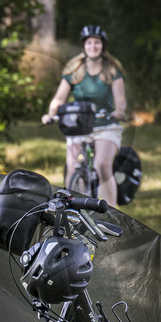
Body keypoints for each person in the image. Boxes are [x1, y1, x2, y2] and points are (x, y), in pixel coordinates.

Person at [40, 25, 128, 203]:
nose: (93, 46)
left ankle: (112, 213)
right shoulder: (74, 70)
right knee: (72, 168)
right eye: (89, 43)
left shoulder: (112, 70)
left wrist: (119, 111)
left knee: (102, 165)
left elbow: (120, 98)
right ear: (84, 46)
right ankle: (74, 211)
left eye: (97, 43)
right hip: (79, 125)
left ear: (102, 46)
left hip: (105, 124)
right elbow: (59, 98)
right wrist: (50, 113)